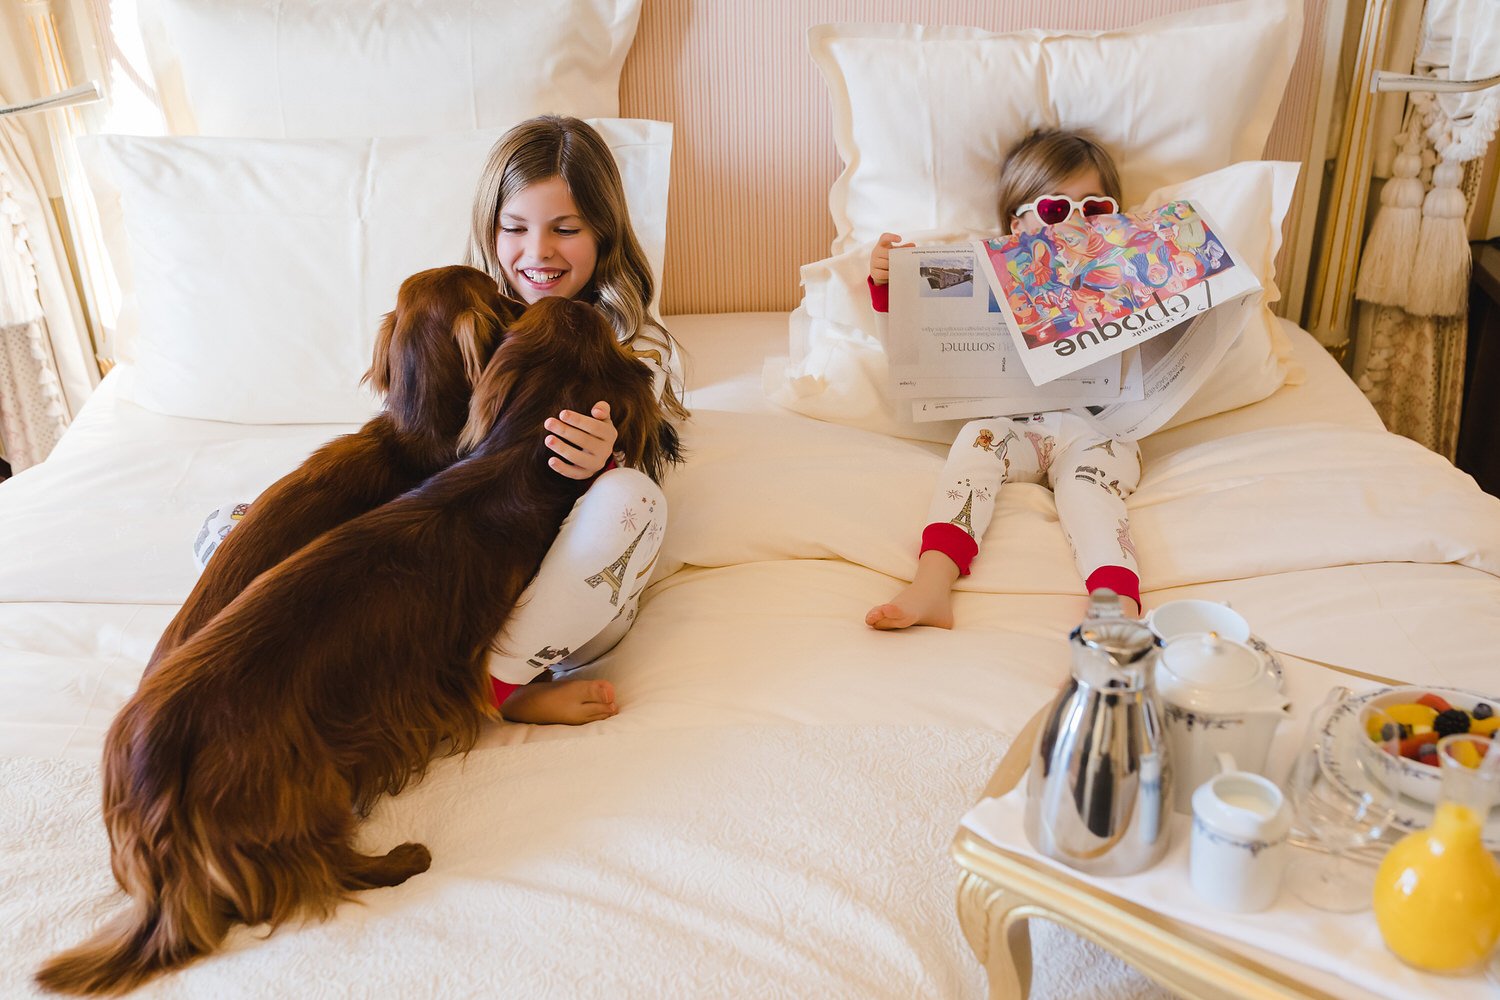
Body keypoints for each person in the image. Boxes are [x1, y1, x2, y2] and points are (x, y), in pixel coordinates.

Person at [195, 115, 687, 726]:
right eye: (516, 228)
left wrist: (604, 458)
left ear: (605, 235)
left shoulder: (634, 345)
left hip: (557, 599)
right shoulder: (464, 312)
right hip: (448, 579)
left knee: (632, 499)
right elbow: (415, 455)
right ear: (490, 229)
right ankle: (313, 658)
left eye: (566, 229)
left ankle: (498, 685)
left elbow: (653, 461)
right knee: (233, 527)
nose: (538, 252)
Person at [863, 128, 1144, 631]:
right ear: (1018, 224)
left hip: (1098, 430)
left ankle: (1115, 609)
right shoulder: (982, 264)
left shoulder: (1128, 270)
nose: (1077, 222)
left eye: (1095, 208)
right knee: (975, 444)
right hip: (1014, 425)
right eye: (1057, 209)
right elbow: (915, 351)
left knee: (1087, 489)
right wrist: (891, 285)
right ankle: (931, 584)